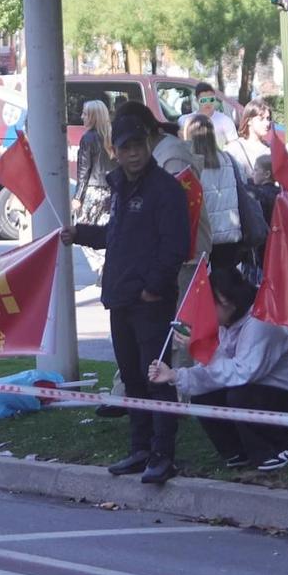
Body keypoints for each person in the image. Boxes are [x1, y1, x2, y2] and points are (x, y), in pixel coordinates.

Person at [67, 110, 190, 485]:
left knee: (156, 379)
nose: (133, 154)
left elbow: (175, 246)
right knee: (133, 378)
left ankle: (162, 454)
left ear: (147, 146)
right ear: (115, 151)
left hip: (149, 301)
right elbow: (116, 236)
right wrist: (80, 233)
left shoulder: (165, 189)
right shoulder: (120, 186)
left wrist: (152, 288)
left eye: (138, 146)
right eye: (126, 148)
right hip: (119, 298)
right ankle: (139, 448)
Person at [149, 266, 288, 472]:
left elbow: (243, 373)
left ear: (225, 300)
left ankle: (279, 447)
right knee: (204, 396)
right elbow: (215, 374)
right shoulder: (226, 325)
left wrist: (205, 349)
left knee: (239, 396)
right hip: (260, 390)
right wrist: (175, 375)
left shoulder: (260, 321)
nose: (203, 315)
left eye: (207, 306)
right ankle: (236, 452)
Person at [184, 117, 245, 275]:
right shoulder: (229, 159)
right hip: (230, 234)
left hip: (203, 237)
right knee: (227, 287)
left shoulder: (189, 165)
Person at [74, 100, 114, 228]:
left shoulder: (88, 138)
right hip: (112, 191)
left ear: (93, 117)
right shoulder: (113, 136)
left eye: (85, 114)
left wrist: (77, 197)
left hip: (93, 192)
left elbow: (83, 171)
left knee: (89, 235)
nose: (82, 117)